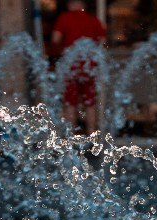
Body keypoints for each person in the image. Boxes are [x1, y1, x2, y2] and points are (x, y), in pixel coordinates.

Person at [51, 0, 106, 134]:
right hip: (89, 67)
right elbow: (103, 42)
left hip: (71, 67)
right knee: (90, 103)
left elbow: (55, 39)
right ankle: (92, 133)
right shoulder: (94, 20)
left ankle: (70, 134)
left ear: (71, 4)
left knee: (70, 102)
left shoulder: (64, 18)